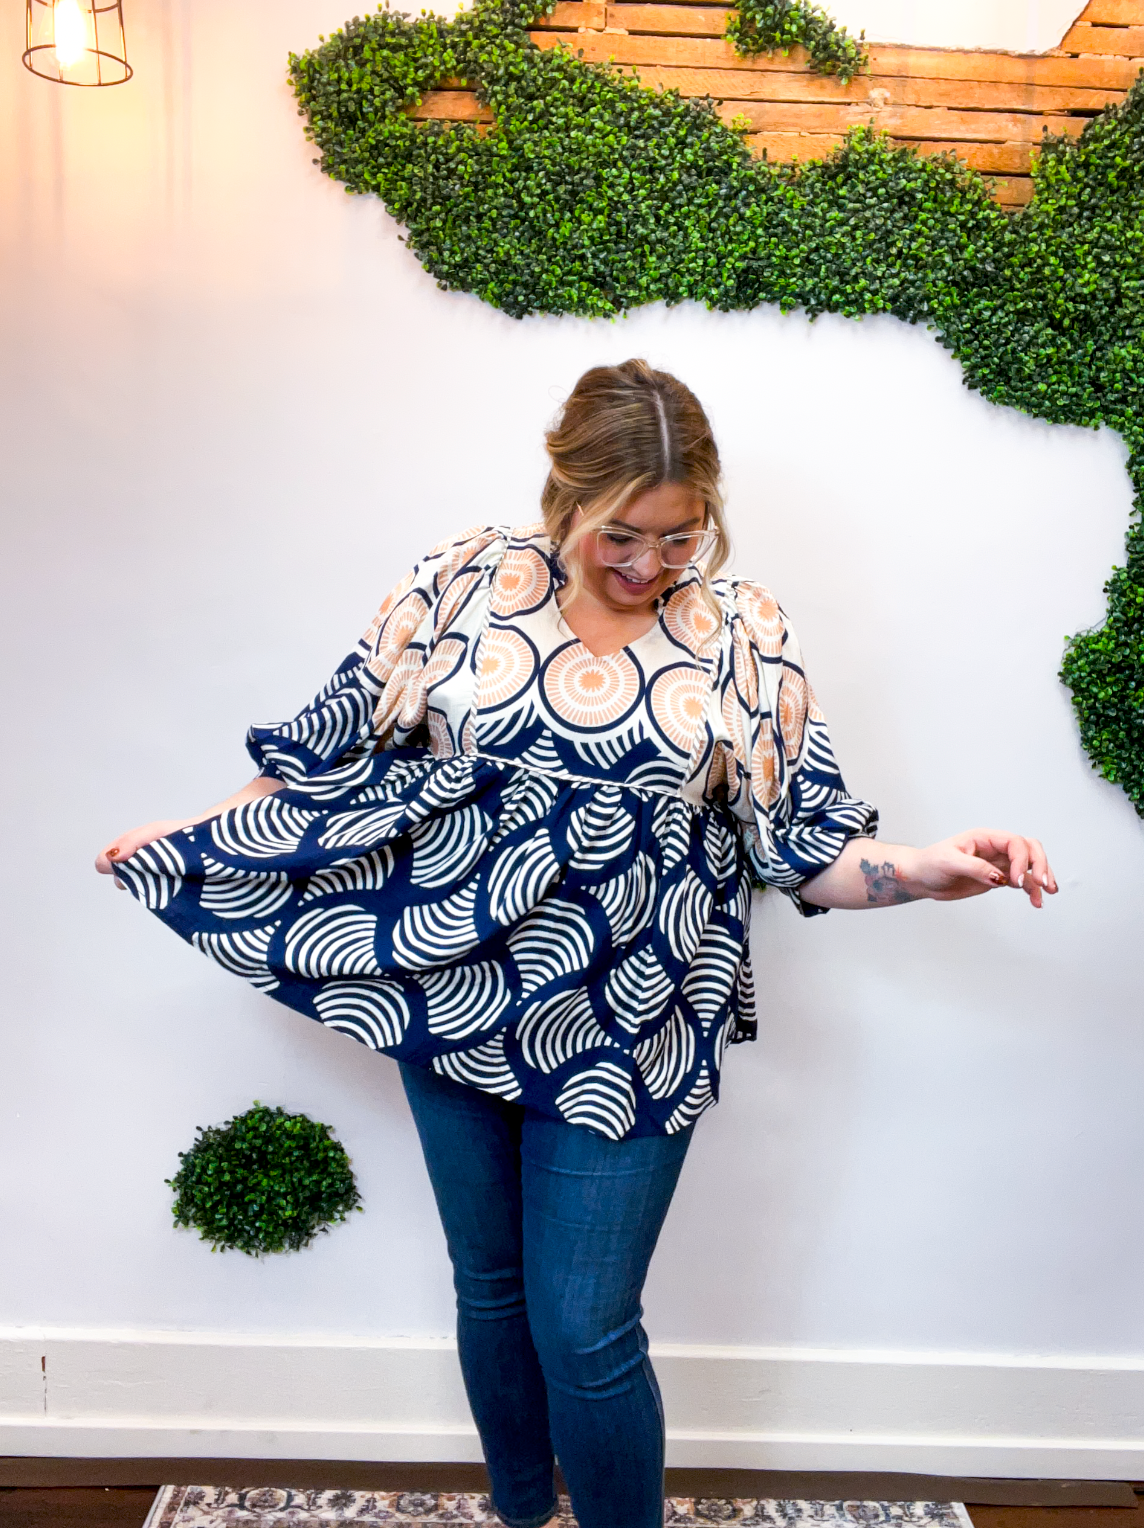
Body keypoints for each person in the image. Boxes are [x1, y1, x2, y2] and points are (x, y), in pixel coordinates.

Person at [97, 359, 1056, 1528]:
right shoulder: (461, 579)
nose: (649, 564)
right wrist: (193, 836)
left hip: (637, 1023)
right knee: (491, 1287)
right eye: (622, 535)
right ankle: (518, 1509)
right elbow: (326, 748)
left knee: (585, 1323)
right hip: (452, 989)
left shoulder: (743, 630)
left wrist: (926, 868)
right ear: (564, 493)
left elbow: (802, 845)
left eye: (679, 535)